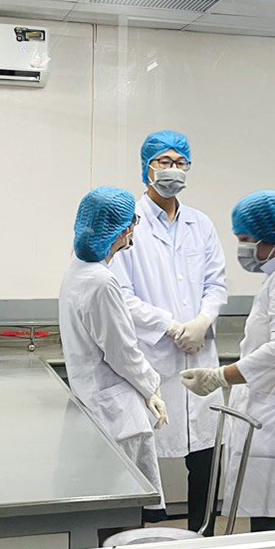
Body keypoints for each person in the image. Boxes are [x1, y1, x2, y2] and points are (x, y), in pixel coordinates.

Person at [180, 190, 275, 532]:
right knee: (266, 531)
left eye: (246, 239)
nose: (243, 249)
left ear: (272, 236)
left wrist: (220, 376)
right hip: (273, 427)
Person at [110, 130, 228, 533]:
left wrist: (202, 321)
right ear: (147, 167)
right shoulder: (130, 224)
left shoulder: (201, 224)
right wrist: (171, 325)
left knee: (205, 458)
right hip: (153, 356)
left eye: (180, 163)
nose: (173, 170)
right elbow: (121, 294)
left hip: (200, 353)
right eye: (165, 162)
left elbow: (216, 283)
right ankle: (147, 543)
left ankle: (203, 539)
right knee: (148, 459)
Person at [58, 187, 169, 509]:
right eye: (132, 222)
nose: (133, 229)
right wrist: (152, 387)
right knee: (125, 506)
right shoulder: (101, 282)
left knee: (106, 503)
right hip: (116, 414)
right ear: (121, 231)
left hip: (95, 403)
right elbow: (122, 351)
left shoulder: (78, 270)